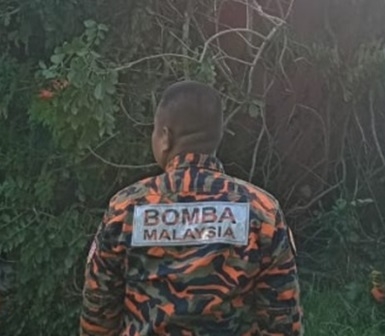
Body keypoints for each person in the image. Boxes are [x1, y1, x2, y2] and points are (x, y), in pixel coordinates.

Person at [81, 81, 303, 336]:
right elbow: (283, 321)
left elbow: (98, 316)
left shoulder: (125, 208)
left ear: (165, 137)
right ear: (217, 136)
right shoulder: (262, 211)